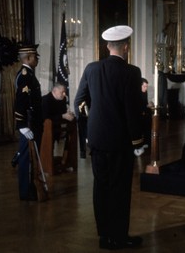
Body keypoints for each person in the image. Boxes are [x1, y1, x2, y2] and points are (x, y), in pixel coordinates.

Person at [74, 25, 144, 250]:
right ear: (125, 47)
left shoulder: (91, 69)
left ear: (107, 46)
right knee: (120, 190)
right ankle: (120, 236)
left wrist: (90, 126)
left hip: (96, 140)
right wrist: (138, 141)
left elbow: (79, 103)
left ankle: (104, 236)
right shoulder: (131, 73)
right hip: (121, 142)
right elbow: (132, 112)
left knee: (101, 187)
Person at [13, 44, 43, 201]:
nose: (37, 59)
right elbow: (21, 101)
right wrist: (22, 125)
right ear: (28, 58)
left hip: (34, 122)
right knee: (25, 157)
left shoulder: (29, 74)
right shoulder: (25, 75)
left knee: (31, 157)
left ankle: (31, 188)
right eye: (35, 56)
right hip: (28, 124)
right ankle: (25, 192)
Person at [42, 82, 76, 170]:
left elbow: (63, 113)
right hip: (44, 131)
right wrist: (63, 116)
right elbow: (46, 117)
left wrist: (68, 114)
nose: (64, 94)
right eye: (62, 92)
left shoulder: (63, 99)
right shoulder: (45, 100)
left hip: (58, 128)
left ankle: (65, 162)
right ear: (54, 90)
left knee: (70, 137)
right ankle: (47, 165)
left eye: (65, 92)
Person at [134, 78, 153, 156]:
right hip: (137, 114)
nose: (146, 88)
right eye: (144, 86)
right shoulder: (136, 93)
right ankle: (140, 144)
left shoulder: (145, 92)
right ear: (140, 86)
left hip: (144, 112)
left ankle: (146, 141)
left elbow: (144, 103)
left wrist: (149, 105)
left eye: (147, 86)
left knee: (148, 120)